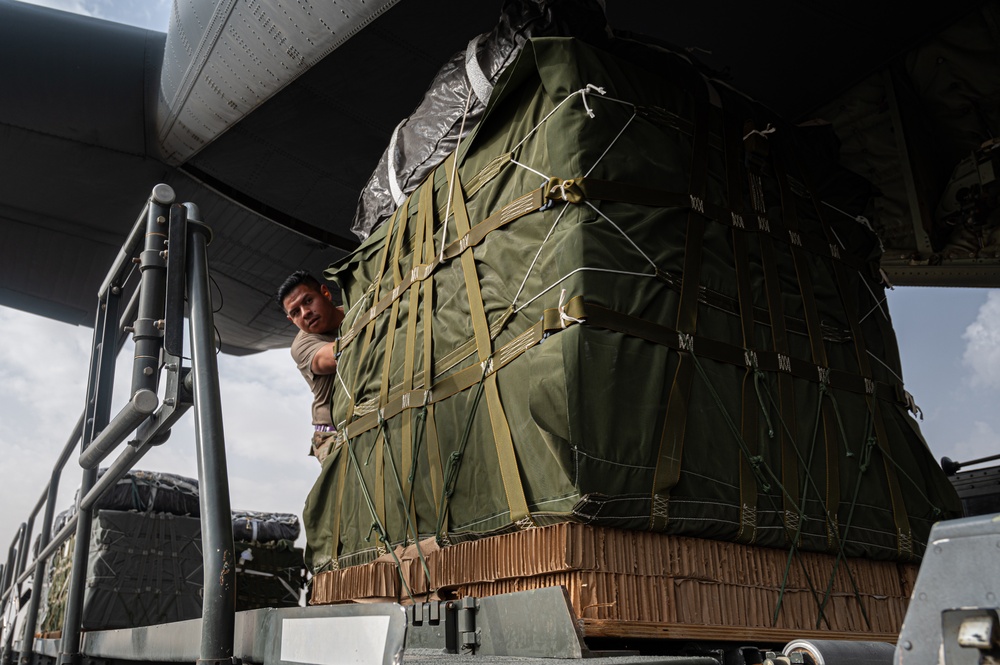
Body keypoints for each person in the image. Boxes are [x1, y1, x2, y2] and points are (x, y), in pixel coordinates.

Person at [276, 271, 345, 463]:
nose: (305, 313)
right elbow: (338, 357)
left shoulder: (355, 312)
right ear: (292, 321)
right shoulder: (301, 346)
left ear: (325, 293)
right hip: (334, 435)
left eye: (308, 301)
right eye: (295, 312)